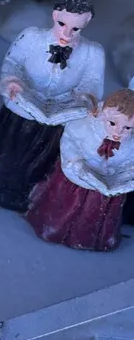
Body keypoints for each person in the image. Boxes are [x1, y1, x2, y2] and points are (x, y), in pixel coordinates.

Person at [0, 0, 104, 212]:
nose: (67, 33)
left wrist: (85, 98)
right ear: (55, 15)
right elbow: (13, 62)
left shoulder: (93, 53)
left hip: (57, 118)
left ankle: (21, 195)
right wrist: (13, 82)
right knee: (6, 151)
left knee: (38, 160)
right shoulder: (31, 37)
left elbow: (92, 83)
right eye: (62, 24)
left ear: (86, 23)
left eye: (75, 29)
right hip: (22, 109)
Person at [25, 89, 134, 251]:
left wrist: (125, 175)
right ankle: (53, 229)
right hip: (75, 182)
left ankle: (87, 238)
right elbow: (70, 142)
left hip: (104, 190)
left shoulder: (131, 143)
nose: (118, 132)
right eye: (112, 123)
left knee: (92, 215)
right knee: (64, 207)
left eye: (127, 128)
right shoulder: (84, 126)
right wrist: (76, 164)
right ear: (104, 115)